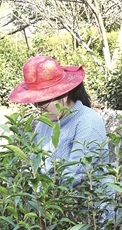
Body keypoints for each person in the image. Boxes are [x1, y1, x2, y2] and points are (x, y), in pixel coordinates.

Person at [8, 56, 110, 188]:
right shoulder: (43, 124)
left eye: (44, 102)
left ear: (64, 94)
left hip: (88, 205)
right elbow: (35, 163)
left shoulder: (88, 121)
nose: (39, 108)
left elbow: (77, 173)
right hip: (51, 203)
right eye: (35, 103)